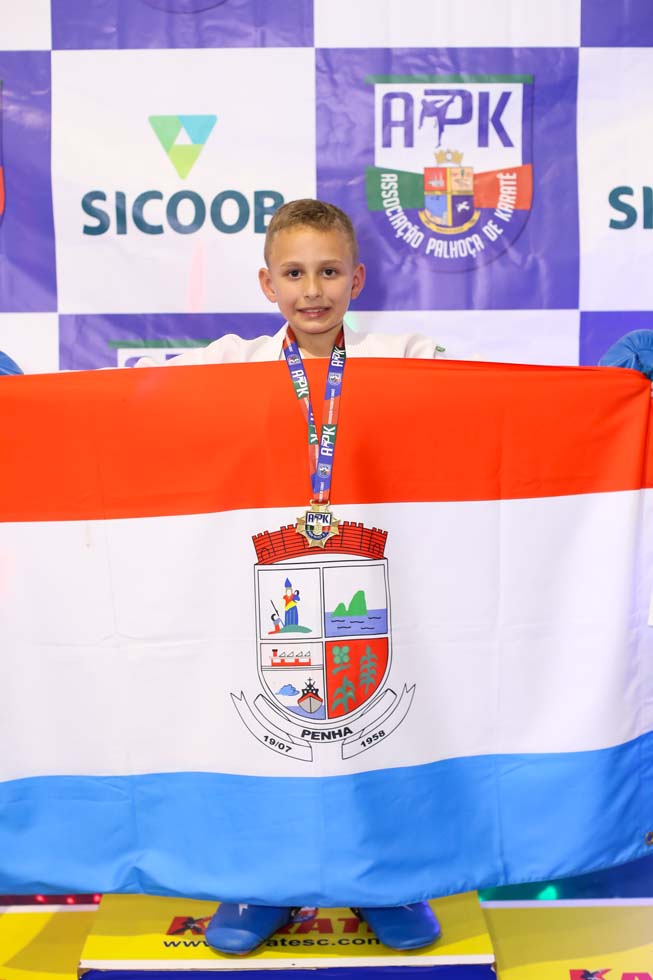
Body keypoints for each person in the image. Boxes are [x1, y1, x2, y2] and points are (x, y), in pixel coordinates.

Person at [136, 199, 446, 955]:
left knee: (376, 732)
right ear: (267, 283)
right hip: (257, 587)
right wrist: (28, 399)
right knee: (258, 735)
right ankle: (259, 880)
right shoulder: (227, 363)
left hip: (374, 582)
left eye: (329, 272)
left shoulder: (406, 356)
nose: (313, 290)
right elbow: (126, 405)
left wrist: (602, 391)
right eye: (295, 273)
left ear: (357, 279)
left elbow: (498, 409)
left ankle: (387, 879)